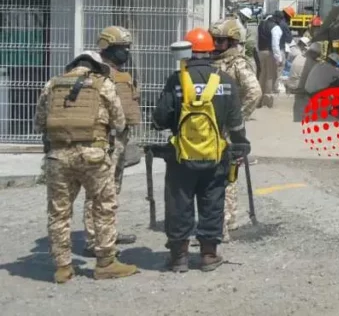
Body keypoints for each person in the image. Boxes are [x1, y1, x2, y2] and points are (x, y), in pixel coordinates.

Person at [36, 50, 139, 283]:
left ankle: (62, 267)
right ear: (96, 66)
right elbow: (120, 122)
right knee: (103, 206)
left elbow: (39, 122)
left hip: (58, 157)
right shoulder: (103, 84)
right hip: (93, 155)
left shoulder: (52, 84)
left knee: (59, 212)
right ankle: (105, 262)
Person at [152, 28, 249, 273]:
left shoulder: (176, 80)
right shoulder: (225, 81)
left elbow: (160, 119)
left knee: (178, 203)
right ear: (210, 51)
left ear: (186, 52)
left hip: (181, 157)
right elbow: (236, 122)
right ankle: (208, 256)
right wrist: (240, 146)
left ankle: (179, 258)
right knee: (212, 203)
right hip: (215, 156)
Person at [82, 26, 142, 257]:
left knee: (112, 189)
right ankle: (93, 239)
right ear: (107, 47)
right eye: (121, 48)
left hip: (118, 140)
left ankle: (107, 233)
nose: (125, 52)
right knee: (98, 190)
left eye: (127, 48)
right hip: (103, 140)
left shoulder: (118, 74)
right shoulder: (96, 74)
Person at [210, 17, 262, 242]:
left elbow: (254, 92)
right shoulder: (216, 61)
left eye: (221, 41)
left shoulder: (237, 63)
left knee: (226, 173)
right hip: (211, 126)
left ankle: (224, 221)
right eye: (214, 40)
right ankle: (225, 219)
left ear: (232, 41)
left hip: (227, 130)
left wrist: (238, 118)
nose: (216, 45)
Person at [255, 11, 285, 108]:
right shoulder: (276, 28)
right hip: (269, 53)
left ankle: (258, 97)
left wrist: (258, 50)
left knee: (262, 74)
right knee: (270, 76)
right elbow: (275, 45)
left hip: (261, 51)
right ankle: (267, 100)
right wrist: (279, 58)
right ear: (279, 19)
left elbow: (257, 39)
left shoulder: (261, 24)